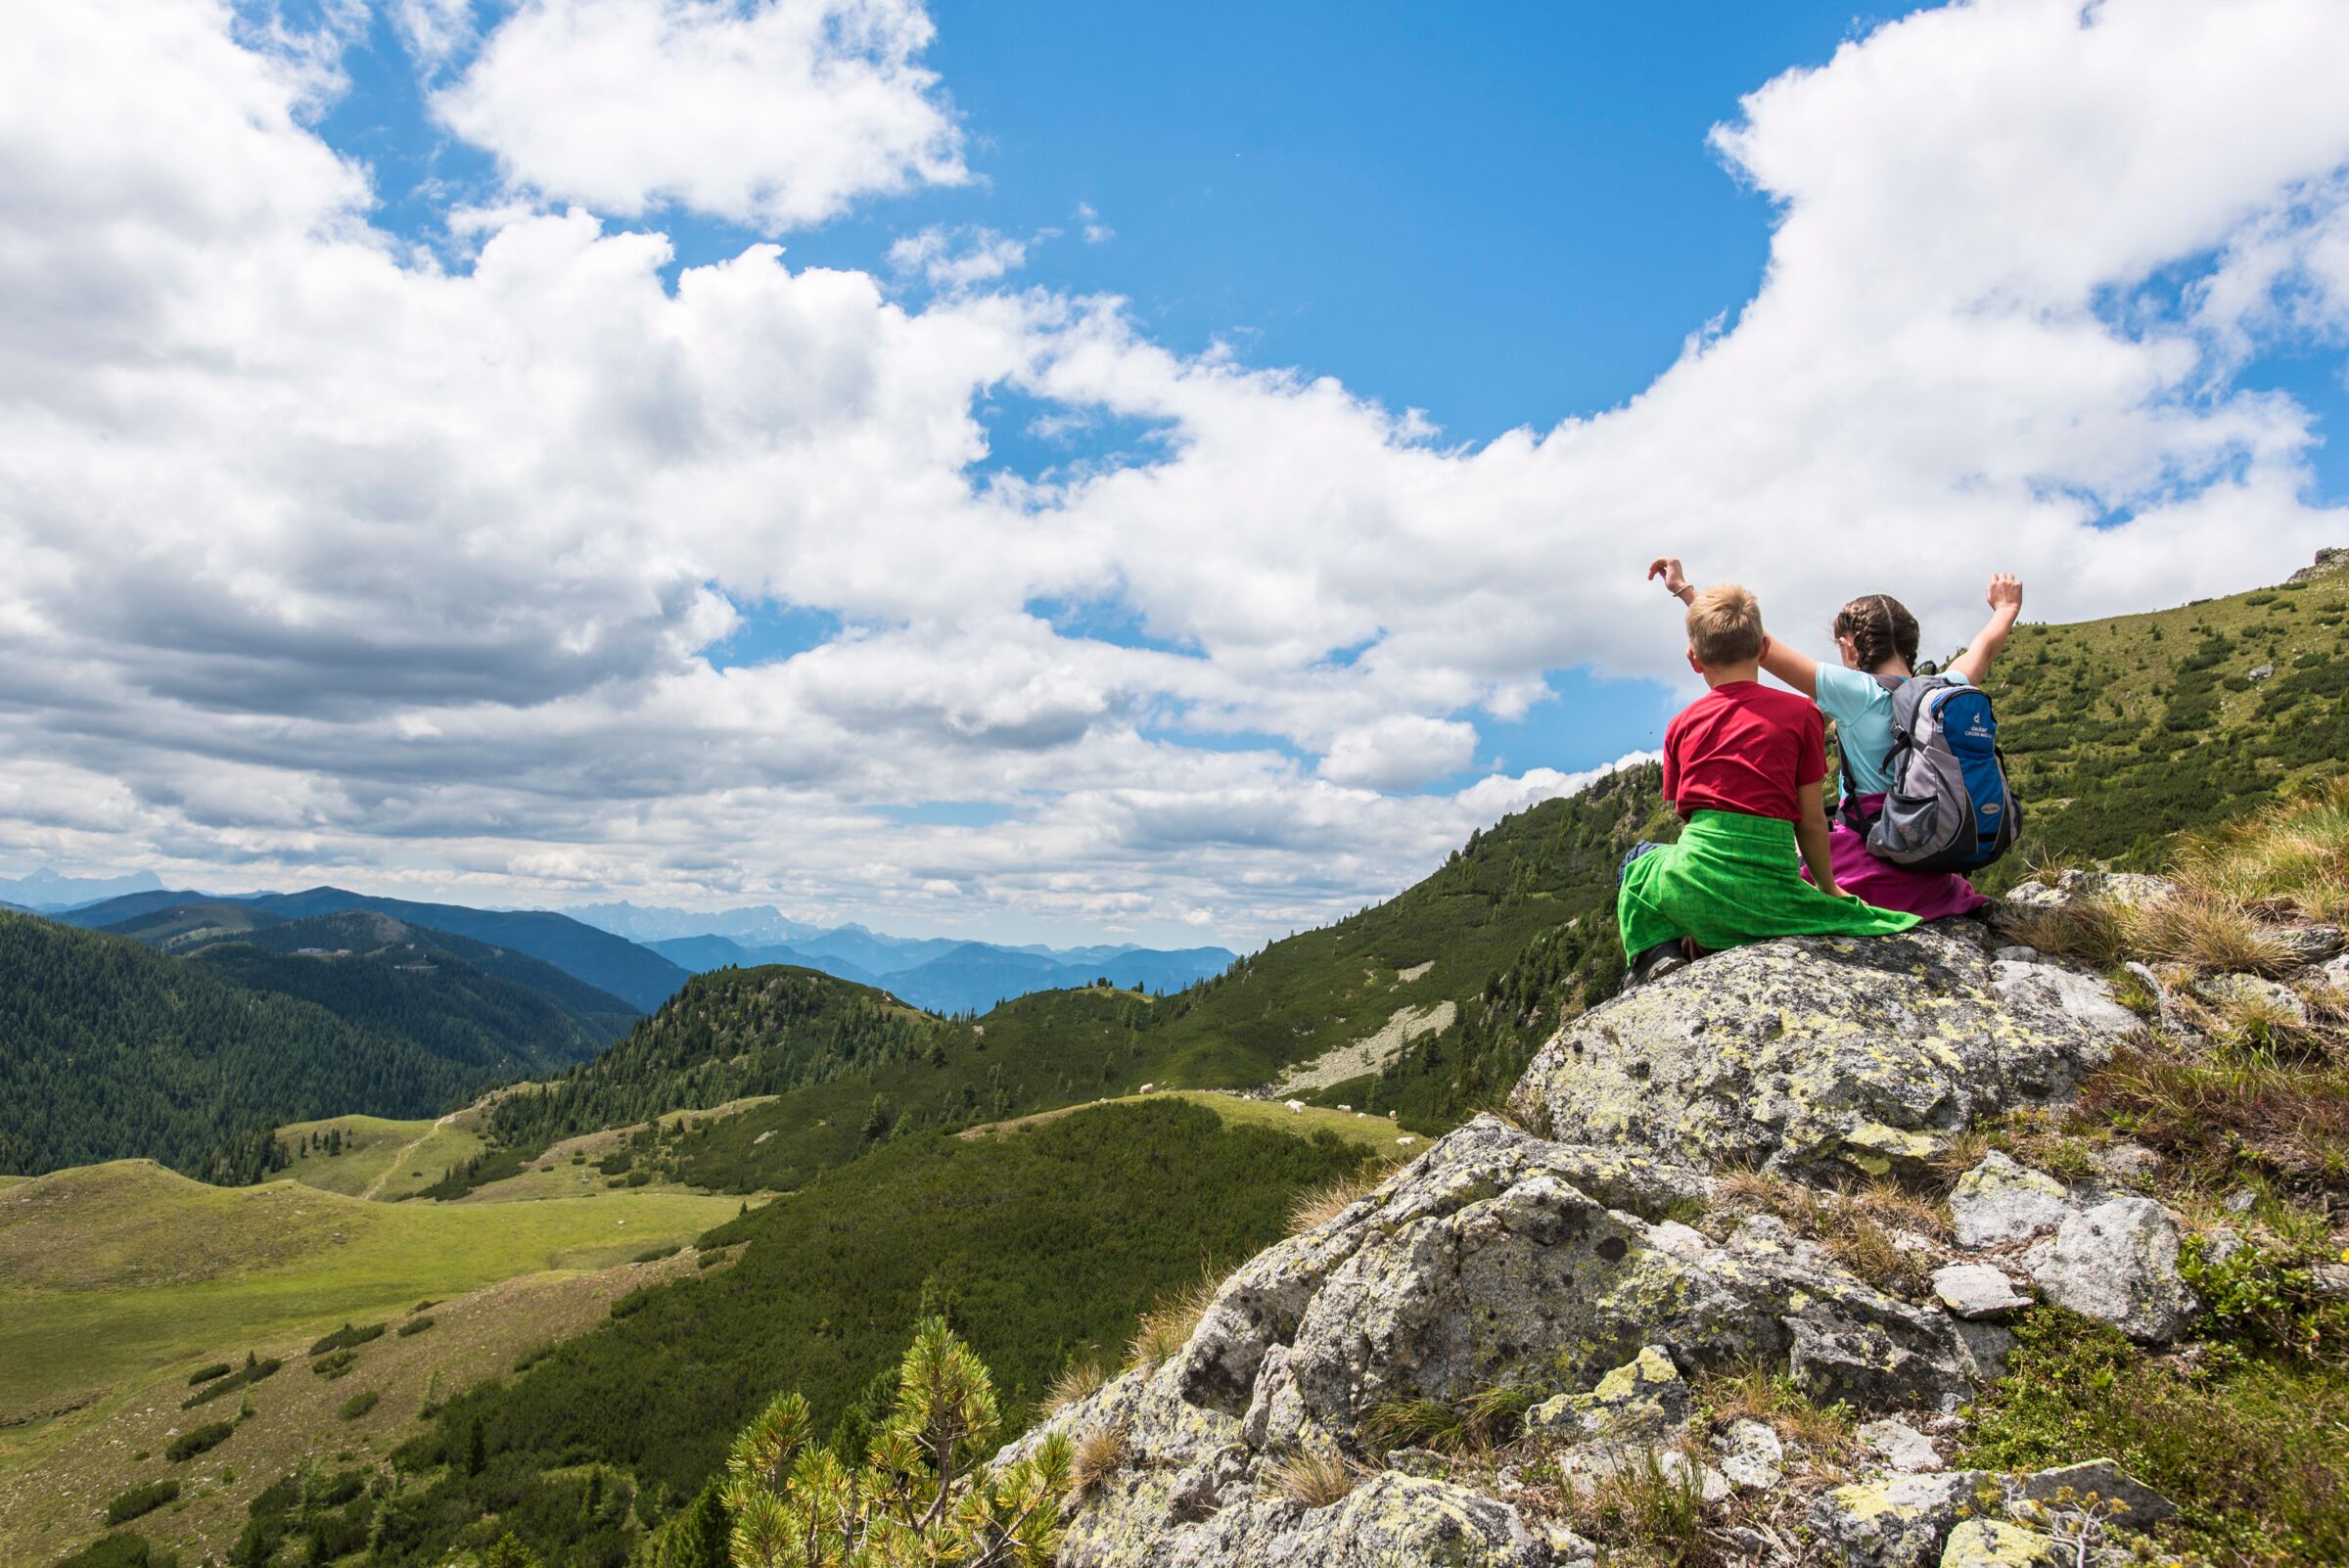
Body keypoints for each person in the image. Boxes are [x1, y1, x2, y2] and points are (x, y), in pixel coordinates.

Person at [1645, 560, 2023, 920]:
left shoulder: (1856, 692)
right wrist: (2005, 609)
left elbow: (1755, 647)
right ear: (1911, 644)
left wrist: (1685, 591)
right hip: (1933, 873)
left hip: (1868, 870)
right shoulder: (1947, 690)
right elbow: (1984, 648)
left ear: (1848, 647)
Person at [1616, 578, 1919, 986]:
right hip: (1773, 891)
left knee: (1638, 858)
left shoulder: (1680, 726)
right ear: (1761, 649)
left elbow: (1690, 824)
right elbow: (1810, 820)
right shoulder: (1802, 715)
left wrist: (1690, 910)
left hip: (1694, 882)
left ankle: (1656, 955)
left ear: (1693, 659)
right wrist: (1829, 889)